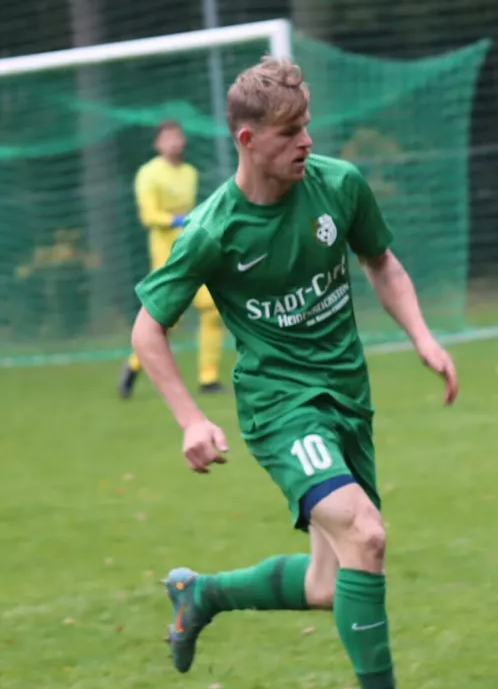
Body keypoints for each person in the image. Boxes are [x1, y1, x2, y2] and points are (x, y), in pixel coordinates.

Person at [130, 56, 459, 689]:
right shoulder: (211, 231)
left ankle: (200, 594)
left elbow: (381, 261)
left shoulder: (339, 186)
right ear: (249, 140)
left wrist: (422, 336)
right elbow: (148, 330)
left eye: (307, 125)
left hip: (347, 398)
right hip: (282, 407)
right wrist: (191, 419)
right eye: (290, 132)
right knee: (365, 534)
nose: (306, 140)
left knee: (326, 584)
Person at [118, 120, 226, 398]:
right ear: (158, 144)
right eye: (167, 137)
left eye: (177, 136)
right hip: (167, 258)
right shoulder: (148, 173)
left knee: (213, 307)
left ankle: (208, 378)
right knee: (165, 323)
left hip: (192, 250)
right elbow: (148, 216)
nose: (174, 141)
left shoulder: (190, 172)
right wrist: (177, 219)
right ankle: (132, 367)